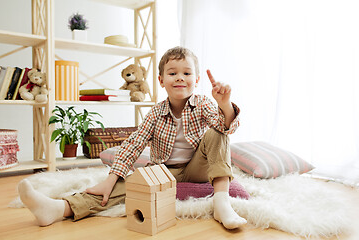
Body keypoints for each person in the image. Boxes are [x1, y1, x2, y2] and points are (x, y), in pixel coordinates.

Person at [18, 46, 247, 229]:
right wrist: (110, 179)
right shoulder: (156, 113)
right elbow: (134, 143)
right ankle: (60, 209)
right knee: (121, 187)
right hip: (164, 170)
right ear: (160, 80)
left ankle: (222, 203)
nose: (180, 78)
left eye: (187, 73)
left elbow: (225, 127)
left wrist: (224, 104)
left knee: (217, 132)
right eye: (173, 73)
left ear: (196, 81)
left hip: (199, 168)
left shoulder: (205, 103)